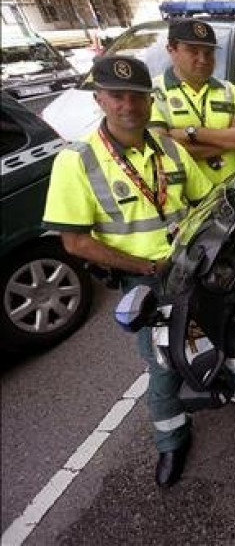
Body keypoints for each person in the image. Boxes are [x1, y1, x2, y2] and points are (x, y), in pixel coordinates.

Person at [42, 56, 213, 487]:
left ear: (150, 102)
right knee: (162, 364)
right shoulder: (77, 161)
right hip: (147, 281)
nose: (128, 105)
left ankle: (213, 387)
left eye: (137, 96)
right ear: (99, 99)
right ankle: (172, 443)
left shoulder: (169, 148)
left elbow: (208, 201)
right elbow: (75, 242)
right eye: (117, 96)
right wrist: (146, 266)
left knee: (213, 333)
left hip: (192, 268)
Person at [148, 18, 235, 185]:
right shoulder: (154, 93)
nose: (203, 59)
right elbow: (164, 150)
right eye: (193, 51)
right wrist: (230, 138)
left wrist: (188, 133)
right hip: (191, 200)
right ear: (171, 50)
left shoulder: (231, 91)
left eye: (208, 53)